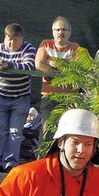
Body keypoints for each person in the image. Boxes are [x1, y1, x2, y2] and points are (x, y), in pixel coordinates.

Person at [0, 23, 36, 172]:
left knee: (15, 132)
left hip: (20, 98)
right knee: (0, 131)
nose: (11, 43)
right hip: (0, 96)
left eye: (15, 40)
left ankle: (11, 164)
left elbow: (28, 67)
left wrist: (8, 64)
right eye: (8, 39)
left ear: (22, 39)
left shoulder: (29, 49)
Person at [35, 16, 80, 145]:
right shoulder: (45, 44)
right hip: (49, 97)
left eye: (64, 29)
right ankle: (43, 161)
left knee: (67, 134)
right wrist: (62, 69)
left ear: (70, 33)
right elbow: (38, 64)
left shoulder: (76, 48)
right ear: (53, 31)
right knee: (47, 132)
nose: (61, 32)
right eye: (58, 29)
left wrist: (52, 63)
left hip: (70, 98)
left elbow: (77, 68)